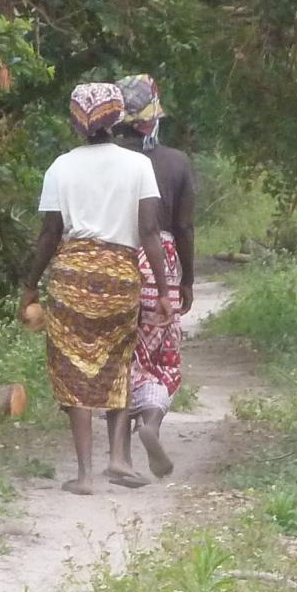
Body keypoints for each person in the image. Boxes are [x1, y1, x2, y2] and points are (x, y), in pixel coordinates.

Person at [22, 81, 172, 494]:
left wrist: (30, 287)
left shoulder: (59, 167)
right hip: (120, 276)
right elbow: (150, 232)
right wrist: (163, 291)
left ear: (76, 122)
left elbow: (50, 235)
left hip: (70, 277)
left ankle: (85, 475)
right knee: (117, 363)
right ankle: (119, 459)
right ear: (117, 117)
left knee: (72, 369)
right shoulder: (138, 166)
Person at [114, 73, 196, 477]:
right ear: (153, 119)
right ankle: (150, 423)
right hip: (157, 265)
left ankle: (119, 453)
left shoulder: (108, 161)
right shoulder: (176, 163)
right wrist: (186, 281)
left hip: (112, 262)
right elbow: (183, 227)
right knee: (161, 357)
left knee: (120, 356)